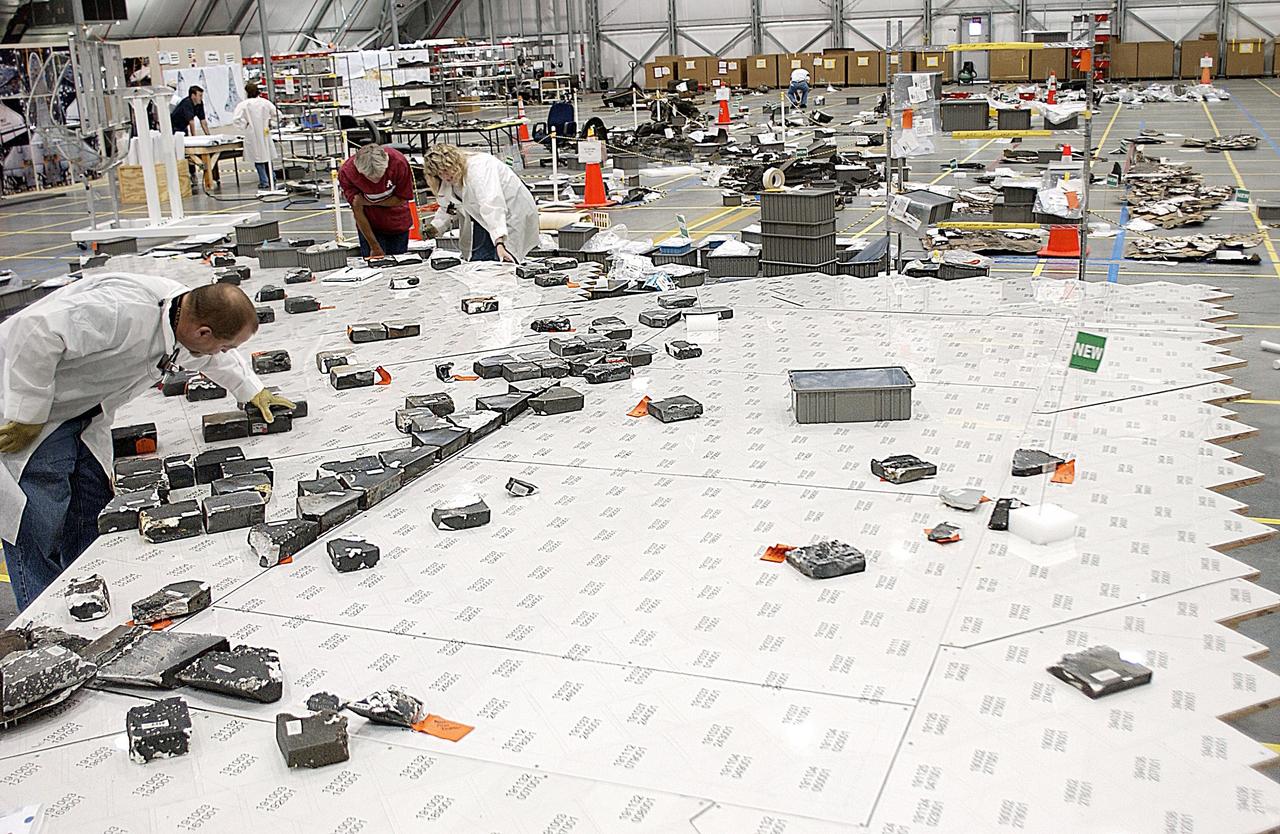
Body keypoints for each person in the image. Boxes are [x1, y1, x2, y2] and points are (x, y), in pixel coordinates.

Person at [0, 276, 293, 612]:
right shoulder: (120, 311)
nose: (225, 354)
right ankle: (41, 626)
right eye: (226, 345)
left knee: (90, 507)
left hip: (80, 411)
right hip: (24, 408)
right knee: (37, 522)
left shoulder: (183, 315)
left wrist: (251, 390)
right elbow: (33, 332)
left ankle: (86, 600)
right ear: (203, 333)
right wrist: (28, 413)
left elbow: (211, 357)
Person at [422, 144, 539, 263]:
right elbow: (449, 206)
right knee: (480, 263)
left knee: (504, 260)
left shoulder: (479, 168)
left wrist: (500, 243)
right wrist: (435, 226)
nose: (445, 176)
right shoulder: (449, 179)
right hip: (483, 219)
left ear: (454, 163)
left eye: (446, 171)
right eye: (440, 173)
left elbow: (492, 205)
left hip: (512, 214)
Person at [338, 144, 415, 258]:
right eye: (369, 177)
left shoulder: (399, 163)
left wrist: (370, 201)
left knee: (400, 265)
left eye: (379, 176)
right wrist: (374, 246)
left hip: (398, 221)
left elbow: (402, 199)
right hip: (369, 225)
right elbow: (358, 212)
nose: (375, 181)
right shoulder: (347, 172)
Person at [171, 85, 221, 190]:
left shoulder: (199, 104)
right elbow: (191, 122)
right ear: (193, 95)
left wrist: (209, 136)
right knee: (186, 152)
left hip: (183, 127)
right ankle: (188, 174)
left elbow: (203, 121)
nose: (201, 98)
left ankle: (198, 174)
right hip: (174, 128)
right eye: (199, 95)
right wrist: (194, 138)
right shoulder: (187, 103)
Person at [231, 82, 279, 191]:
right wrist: (271, 123)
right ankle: (272, 177)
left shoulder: (243, 105)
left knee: (258, 159)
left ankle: (264, 181)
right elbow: (277, 114)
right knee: (267, 156)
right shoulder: (265, 103)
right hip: (265, 132)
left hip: (252, 134)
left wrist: (245, 125)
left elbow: (236, 119)